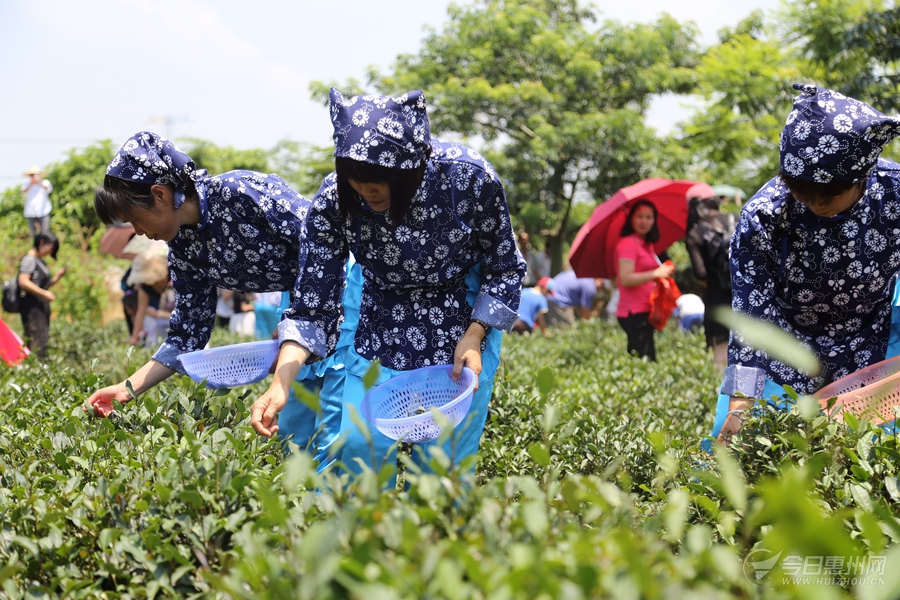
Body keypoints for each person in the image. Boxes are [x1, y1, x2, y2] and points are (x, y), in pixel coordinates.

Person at [249, 88, 526, 481]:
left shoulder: (468, 178)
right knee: (359, 452)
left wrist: (475, 334)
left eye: (379, 181)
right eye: (355, 181)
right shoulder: (333, 202)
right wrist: (282, 383)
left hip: (463, 318)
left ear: (415, 165)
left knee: (443, 467)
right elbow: (313, 304)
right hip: (381, 321)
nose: (367, 192)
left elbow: (504, 265)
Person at [85, 131, 334, 447]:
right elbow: (187, 335)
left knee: (342, 428)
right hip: (301, 302)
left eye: (135, 219)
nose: (139, 232)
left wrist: (297, 324)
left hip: (343, 285)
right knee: (296, 434)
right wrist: (127, 388)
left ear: (160, 194)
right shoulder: (184, 247)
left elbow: (325, 245)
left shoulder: (240, 193)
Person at [712, 83, 900, 446]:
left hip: (873, 340)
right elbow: (753, 315)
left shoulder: (894, 193)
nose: (816, 205)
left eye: (829, 195)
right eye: (802, 193)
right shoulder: (763, 216)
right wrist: (739, 404)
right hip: (789, 347)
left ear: (861, 175)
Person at [614, 199, 676, 361]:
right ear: (631, 219)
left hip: (646, 310)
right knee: (643, 360)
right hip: (633, 312)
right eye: (639, 216)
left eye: (649, 217)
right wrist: (656, 274)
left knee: (648, 358)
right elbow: (626, 279)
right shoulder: (627, 243)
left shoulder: (645, 244)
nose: (644, 221)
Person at [685, 195, 735, 371]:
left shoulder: (695, 233)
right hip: (745, 295)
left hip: (717, 297)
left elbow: (701, 273)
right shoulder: (736, 219)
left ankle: (722, 396)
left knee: (721, 356)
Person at [17, 232, 66, 359]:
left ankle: (37, 370)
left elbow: (41, 285)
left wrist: (56, 278)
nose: (50, 252)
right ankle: (36, 372)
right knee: (37, 342)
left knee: (42, 338)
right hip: (32, 308)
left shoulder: (39, 261)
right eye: (50, 249)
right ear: (42, 243)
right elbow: (23, 281)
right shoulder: (29, 260)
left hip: (40, 307)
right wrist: (44, 293)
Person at [125, 251, 173, 347]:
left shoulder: (175, 274)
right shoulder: (146, 287)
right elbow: (141, 312)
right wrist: (134, 337)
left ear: (163, 276)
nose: (149, 284)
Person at [21, 166, 53, 237]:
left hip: (43, 211)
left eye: (35, 175)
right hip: (30, 212)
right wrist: (31, 184)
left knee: (45, 232)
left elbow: (49, 189)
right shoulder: (26, 184)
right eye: (32, 175)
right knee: (32, 233)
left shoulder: (45, 182)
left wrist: (39, 182)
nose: (33, 176)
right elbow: (23, 191)